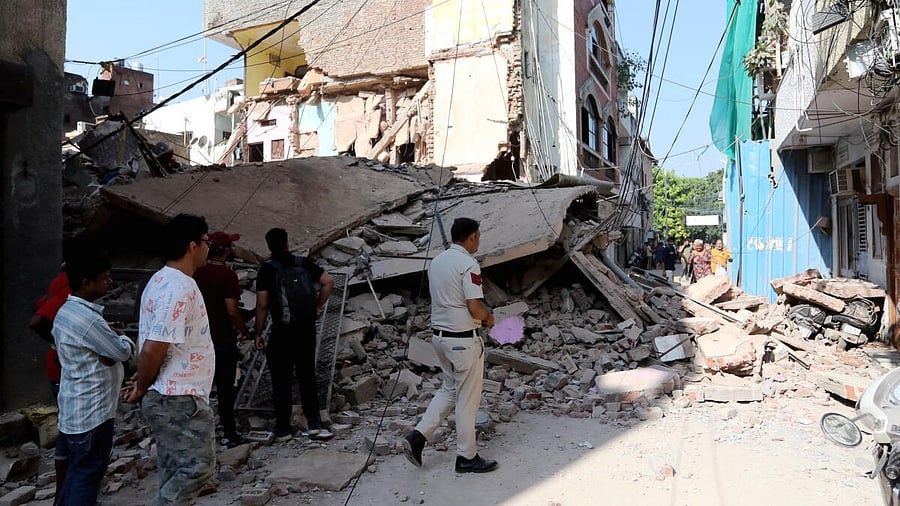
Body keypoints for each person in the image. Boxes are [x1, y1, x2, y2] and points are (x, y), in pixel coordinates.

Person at [124, 214, 216, 505]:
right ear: (192, 245)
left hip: (172, 393)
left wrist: (144, 381)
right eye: (206, 241)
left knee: (174, 469)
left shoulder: (161, 280)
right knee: (197, 468)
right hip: (177, 396)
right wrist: (141, 385)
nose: (209, 247)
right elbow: (153, 348)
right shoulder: (178, 287)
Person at [402, 217, 498, 474]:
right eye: (478, 236)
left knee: (450, 390)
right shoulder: (468, 264)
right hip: (462, 340)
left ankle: (418, 437)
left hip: (440, 338)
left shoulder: (437, 262)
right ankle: (467, 456)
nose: (479, 241)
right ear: (472, 236)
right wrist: (488, 318)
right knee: (467, 399)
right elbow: (474, 307)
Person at [53, 249, 135, 506]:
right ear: (87, 283)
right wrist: (123, 338)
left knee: (75, 474)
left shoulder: (66, 312)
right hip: (92, 413)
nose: (110, 282)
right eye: (104, 278)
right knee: (85, 476)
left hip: (74, 409)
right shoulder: (88, 321)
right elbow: (121, 351)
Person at [255, 228, 334, 440]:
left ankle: (283, 427)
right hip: (306, 329)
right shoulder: (303, 263)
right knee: (307, 375)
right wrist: (317, 306)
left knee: (281, 379)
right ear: (287, 242)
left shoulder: (267, 270)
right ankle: (314, 423)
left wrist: (258, 333)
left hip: (282, 330)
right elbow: (329, 282)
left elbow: (262, 305)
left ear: (269, 246)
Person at [194, 231, 250, 448]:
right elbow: (232, 310)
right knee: (226, 390)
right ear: (225, 250)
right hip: (223, 339)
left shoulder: (196, 272)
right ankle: (229, 433)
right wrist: (243, 330)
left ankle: (199, 434)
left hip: (198, 340)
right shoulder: (227, 276)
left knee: (199, 389)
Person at [31, 265, 70, 398]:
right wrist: (59, 340)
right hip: (62, 364)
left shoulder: (59, 281)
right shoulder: (68, 285)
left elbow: (39, 306)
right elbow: (36, 321)